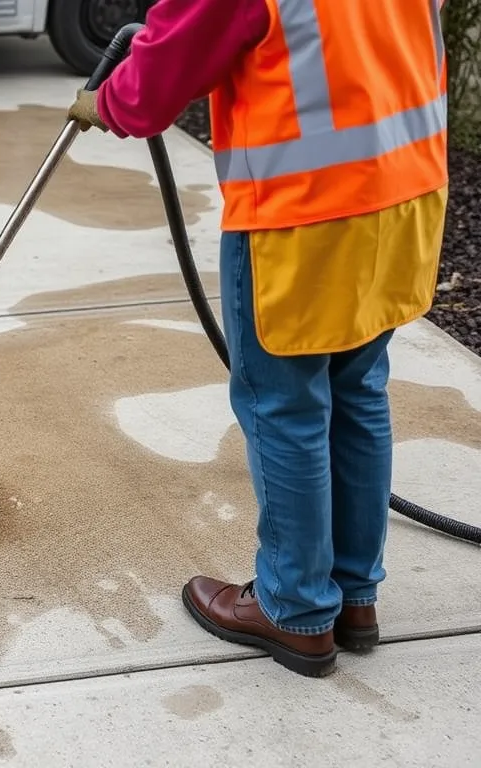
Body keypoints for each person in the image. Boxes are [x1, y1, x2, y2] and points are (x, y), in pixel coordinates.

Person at [68, 0, 449, 678]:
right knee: (359, 388)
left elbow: (164, 73)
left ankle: (296, 609)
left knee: (286, 407)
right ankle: (354, 596)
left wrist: (108, 103)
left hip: (304, 213)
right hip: (405, 189)